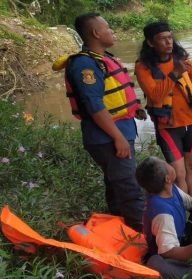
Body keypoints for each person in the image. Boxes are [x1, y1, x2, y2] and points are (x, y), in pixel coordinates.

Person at [57, 13, 145, 231]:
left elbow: (110, 97)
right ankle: (146, 238)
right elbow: (94, 105)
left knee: (116, 186)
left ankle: (120, 231)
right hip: (108, 138)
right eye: (107, 27)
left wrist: (134, 109)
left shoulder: (102, 59)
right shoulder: (85, 65)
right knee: (129, 187)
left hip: (115, 133)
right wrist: (118, 137)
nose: (111, 31)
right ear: (96, 33)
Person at [135, 21, 192, 198]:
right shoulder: (143, 66)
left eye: (170, 38)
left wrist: (188, 90)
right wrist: (175, 74)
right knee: (178, 173)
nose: (169, 42)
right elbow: (155, 95)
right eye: (162, 39)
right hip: (168, 125)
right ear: (151, 43)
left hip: (191, 120)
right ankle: (183, 210)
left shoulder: (180, 58)